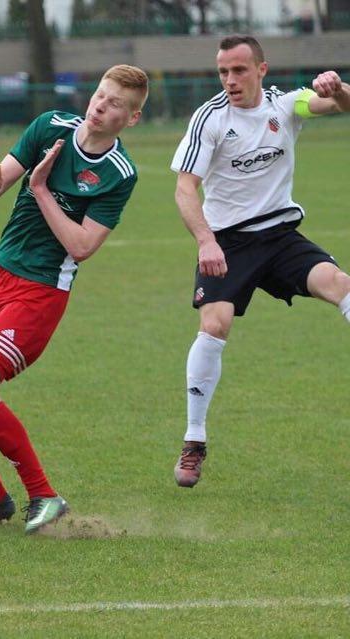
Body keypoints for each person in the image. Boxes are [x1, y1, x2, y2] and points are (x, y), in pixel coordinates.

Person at [0, 65, 148, 532]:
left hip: (41, 290)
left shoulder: (119, 173)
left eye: (114, 104)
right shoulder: (49, 127)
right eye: (100, 95)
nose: (100, 106)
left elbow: (81, 246)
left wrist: (41, 189)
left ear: (132, 118)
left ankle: (44, 495)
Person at [171, 35, 350, 487]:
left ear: (261, 70)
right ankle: (194, 440)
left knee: (341, 285)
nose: (230, 80)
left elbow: (337, 105)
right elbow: (185, 188)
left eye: (239, 70)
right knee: (214, 325)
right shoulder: (210, 118)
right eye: (223, 71)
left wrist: (337, 88)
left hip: (280, 235)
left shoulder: (285, 105)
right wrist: (206, 241)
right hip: (227, 243)